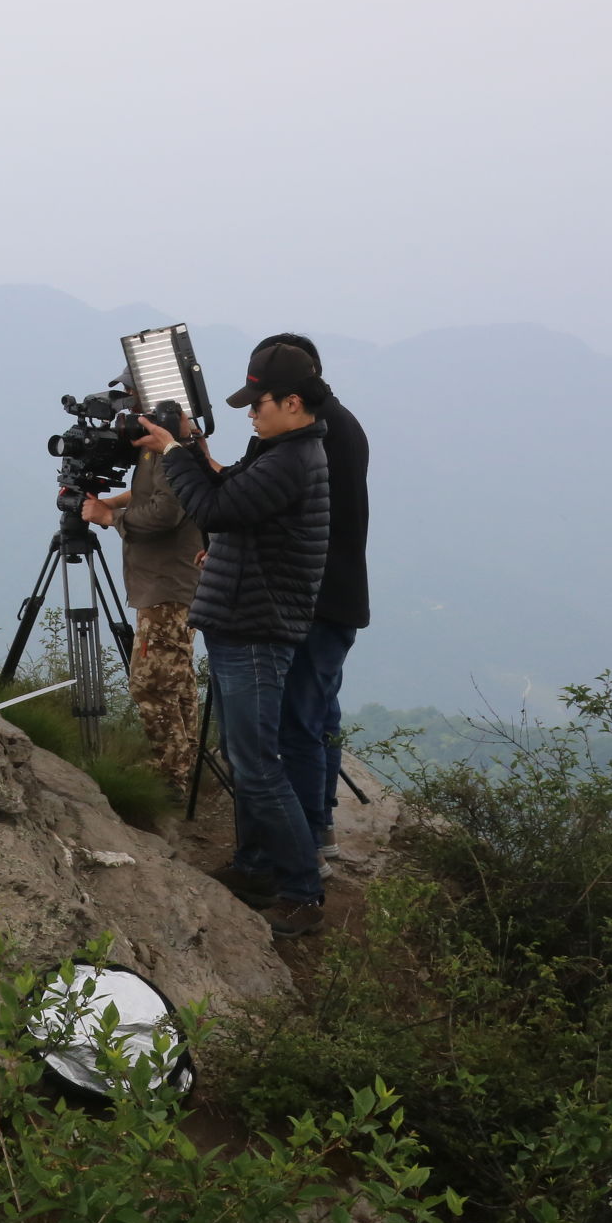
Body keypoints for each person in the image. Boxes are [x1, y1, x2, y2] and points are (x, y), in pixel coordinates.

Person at [142, 339, 332, 938]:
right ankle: (253, 867)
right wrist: (194, 445)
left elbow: (213, 507)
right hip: (237, 623)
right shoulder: (276, 452)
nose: (251, 412)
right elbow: (228, 493)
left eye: (259, 402)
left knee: (257, 765)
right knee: (244, 758)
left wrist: (172, 450)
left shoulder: (292, 462)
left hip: (255, 631)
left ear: (293, 402)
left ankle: (303, 892)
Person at [252, 333, 369, 857]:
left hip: (315, 598)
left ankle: (307, 836)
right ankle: (319, 823)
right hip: (335, 595)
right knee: (320, 711)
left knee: (300, 719)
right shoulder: (341, 426)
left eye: (261, 401)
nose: (255, 413)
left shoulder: (319, 435)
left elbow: (257, 500)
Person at [78, 415, 205, 791]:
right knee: (175, 679)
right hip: (168, 584)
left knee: (150, 684)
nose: (126, 415)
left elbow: (165, 512)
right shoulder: (159, 449)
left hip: (167, 587)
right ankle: (185, 763)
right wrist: (115, 501)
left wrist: (110, 516)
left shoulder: (173, 451)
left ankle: (169, 778)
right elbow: (152, 492)